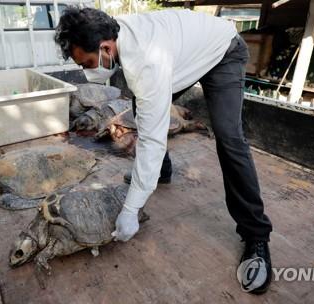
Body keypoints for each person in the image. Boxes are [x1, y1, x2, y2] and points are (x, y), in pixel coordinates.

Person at [55, 7, 273, 294]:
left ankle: (256, 235)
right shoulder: (113, 32)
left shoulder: (146, 65)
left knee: (230, 139)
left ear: (106, 46)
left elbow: (152, 139)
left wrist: (131, 209)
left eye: (87, 63)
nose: (86, 72)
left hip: (223, 51)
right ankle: (161, 172)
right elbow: (149, 116)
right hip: (183, 55)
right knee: (142, 108)